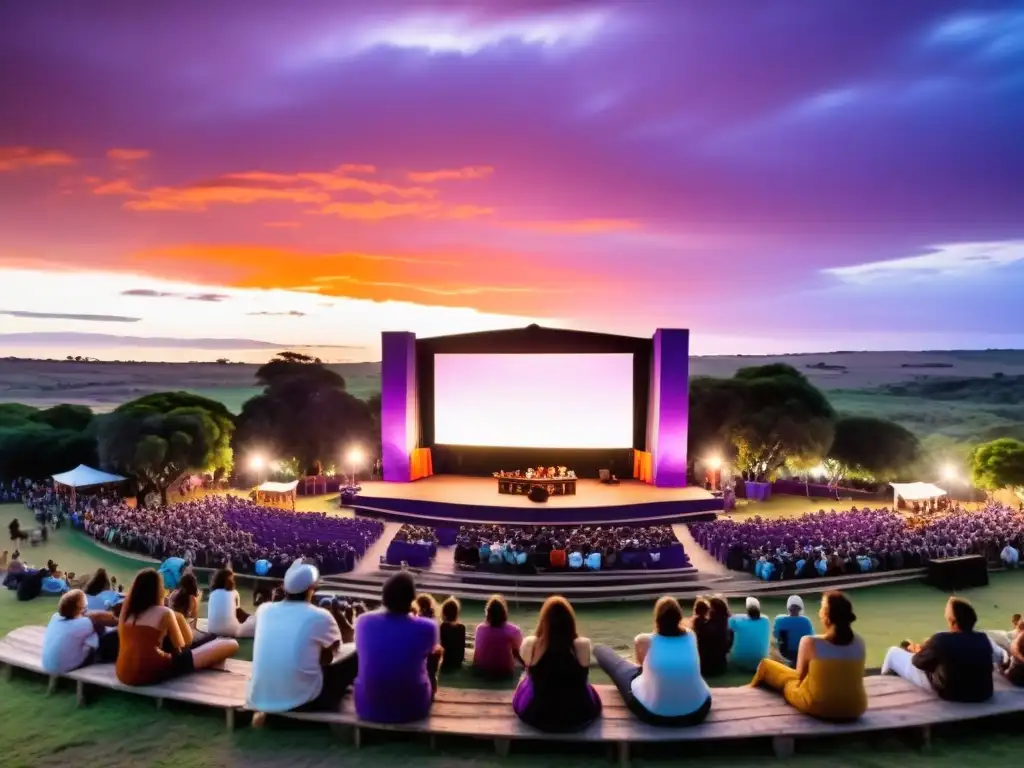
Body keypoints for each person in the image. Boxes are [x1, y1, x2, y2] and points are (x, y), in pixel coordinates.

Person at [247, 560, 356, 714]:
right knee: (355, 656)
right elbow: (335, 653)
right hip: (302, 703)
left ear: (284, 587)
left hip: (260, 699)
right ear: (312, 589)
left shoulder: (264, 610)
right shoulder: (319, 616)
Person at [594, 596, 711, 725]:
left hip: (655, 715)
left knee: (604, 653)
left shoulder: (644, 640)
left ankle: (598, 649)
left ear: (658, 618)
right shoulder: (691, 635)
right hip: (698, 712)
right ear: (679, 616)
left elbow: (640, 666)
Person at [751, 591, 867, 721]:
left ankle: (749, 691)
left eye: (822, 609)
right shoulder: (860, 642)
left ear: (827, 617)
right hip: (856, 708)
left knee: (767, 666)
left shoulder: (810, 642)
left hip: (819, 706)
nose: (819, 613)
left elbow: (798, 678)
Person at [116, 569, 238, 686]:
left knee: (207, 642)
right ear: (157, 591)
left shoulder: (127, 615)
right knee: (231, 644)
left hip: (123, 674)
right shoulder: (165, 613)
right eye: (162, 586)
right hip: (152, 672)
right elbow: (182, 647)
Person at [354, 572, 439, 723]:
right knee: (434, 654)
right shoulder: (428, 627)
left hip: (367, 706)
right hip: (413, 707)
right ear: (412, 599)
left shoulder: (363, 621)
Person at [881, 596, 1003, 702]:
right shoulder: (983, 639)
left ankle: (882, 690)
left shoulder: (941, 639)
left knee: (893, 653)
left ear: (953, 621)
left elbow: (917, 662)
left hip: (951, 693)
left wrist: (922, 650)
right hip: (983, 694)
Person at [512, 596, 602, 732]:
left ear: (544, 621)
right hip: (579, 715)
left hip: (537, 716)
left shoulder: (532, 644)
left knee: (525, 681)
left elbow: (527, 666)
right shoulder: (582, 644)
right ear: (570, 621)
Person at [41, 589, 119, 674]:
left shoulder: (55, 617)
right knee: (114, 637)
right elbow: (103, 624)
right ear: (80, 606)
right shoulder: (85, 622)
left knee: (92, 635)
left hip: (47, 664)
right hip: (65, 666)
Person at [473, 594, 523, 678]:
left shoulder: (480, 629)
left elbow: (477, 653)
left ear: (487, 613)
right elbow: (519, 653)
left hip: (483, 670)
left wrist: (474, 667)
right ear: (504, 612)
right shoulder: (514, 630)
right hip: (505, 671)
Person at [206, 568, 257, 638]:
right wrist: (251, 617)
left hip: (212, 630)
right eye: (232, 579)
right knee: (257, 625)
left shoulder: (212, 594)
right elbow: (238, 612)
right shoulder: (234, 593)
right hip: (232, 631)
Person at [691, 597, 731, 677]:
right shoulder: (728, 629)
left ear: (712, 610)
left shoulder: (703, 626)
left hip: (703, 668)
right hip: (721, 667)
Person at [728, 597, 770, 672]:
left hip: (739, 660)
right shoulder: (765, 620)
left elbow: (728, 627)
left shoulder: (736, 620)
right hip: (761, 661)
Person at [773, 595, 815, 665]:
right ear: (800, 608)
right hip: (802, 653)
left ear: (788, 607)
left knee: (774, 643)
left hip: (784, 654)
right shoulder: (806, 621)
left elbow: (775, 634)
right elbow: (811, 637)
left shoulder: (779, 619)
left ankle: (786, 662)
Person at [439, 596, 466, 672]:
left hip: (446, 662)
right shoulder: (462, 627)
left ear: (444, 612)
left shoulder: (443, 626)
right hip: (458, 661)